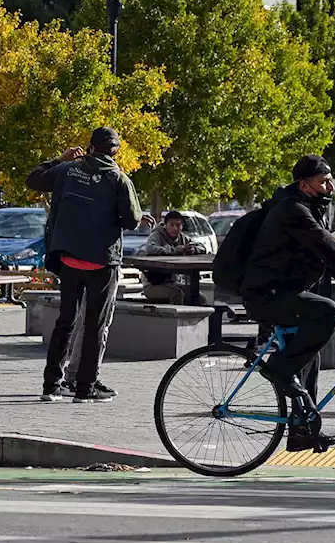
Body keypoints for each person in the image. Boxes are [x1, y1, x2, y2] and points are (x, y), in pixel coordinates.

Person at [242, 155, 335, 451]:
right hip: (267, 294)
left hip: (282, 292)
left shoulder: (309, 208)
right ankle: (277, 368)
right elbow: (328, 247)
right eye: (324, 181)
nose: (331, 186)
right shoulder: (293, 209)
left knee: (310, 354)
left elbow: (329, 258)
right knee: (327, 311)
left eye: (330, 179)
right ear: (304, 184)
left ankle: (302, 431)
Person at [26, 127, 151, 403]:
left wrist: (60, 158)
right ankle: (85, 388)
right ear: (115, 151)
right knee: (94, 325)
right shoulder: (119, 179)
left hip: (69, 260)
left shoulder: (67, 170)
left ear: (89, 146)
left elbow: (33, 180)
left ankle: (51, 386)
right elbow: (131, 220)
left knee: (65, 321)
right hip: (101, 263)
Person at [136, 210, 209, 305]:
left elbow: (202, 247)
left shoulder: (183, 238)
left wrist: (192, 250)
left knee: (200, 298)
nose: (175, 228)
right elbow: (150, 249)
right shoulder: (157, 235)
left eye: (178, 225)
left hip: (173, 283)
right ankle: (179, 320)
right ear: (165, 225)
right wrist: (174, 250)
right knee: (176, 294)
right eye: (172, 225)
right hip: (153, 285)